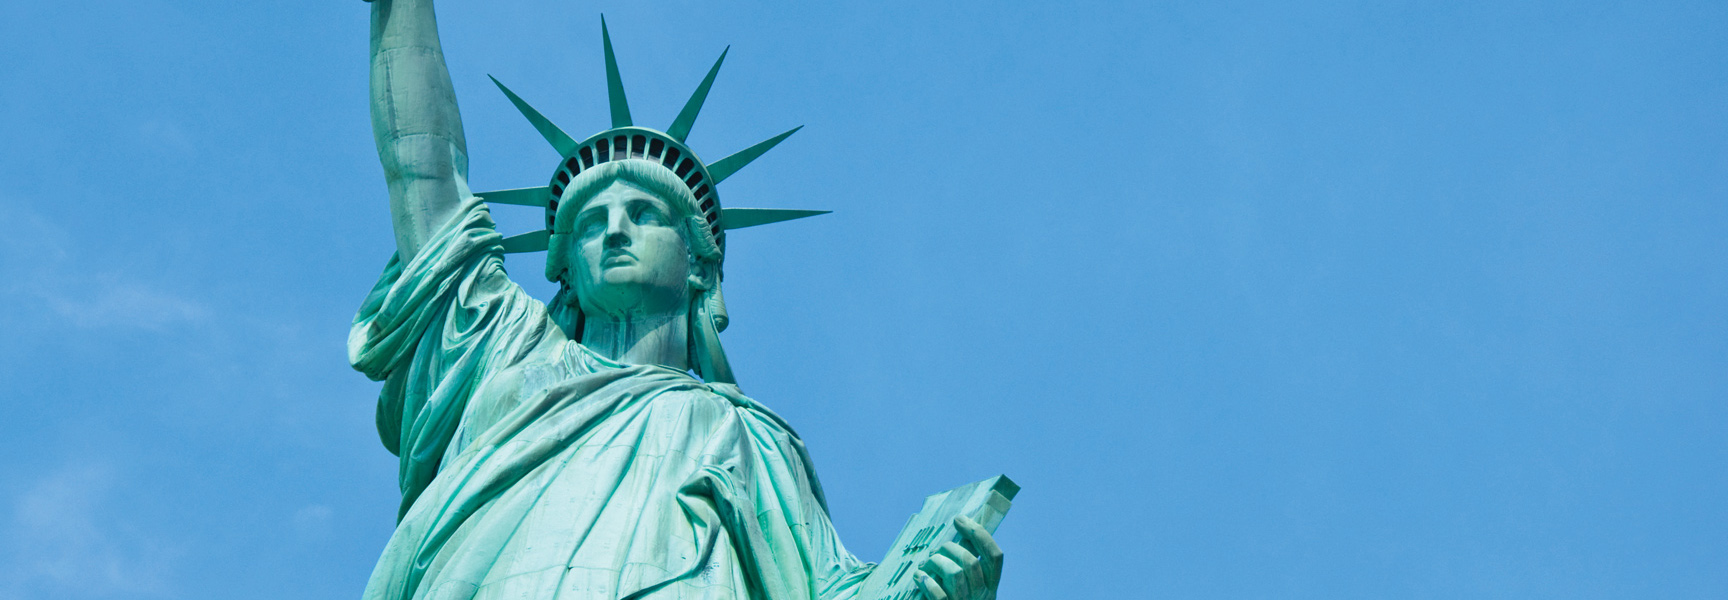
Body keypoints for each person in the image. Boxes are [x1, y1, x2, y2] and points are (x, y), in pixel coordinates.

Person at [348, 2, 1005, 599]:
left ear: (699, 266)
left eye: (643, 212)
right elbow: (420, 164)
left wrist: (937, 584)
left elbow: (831, 593)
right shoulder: (497, 350)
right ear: (564, 268)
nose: (613, 229)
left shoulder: (747, 438)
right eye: (588, 221)